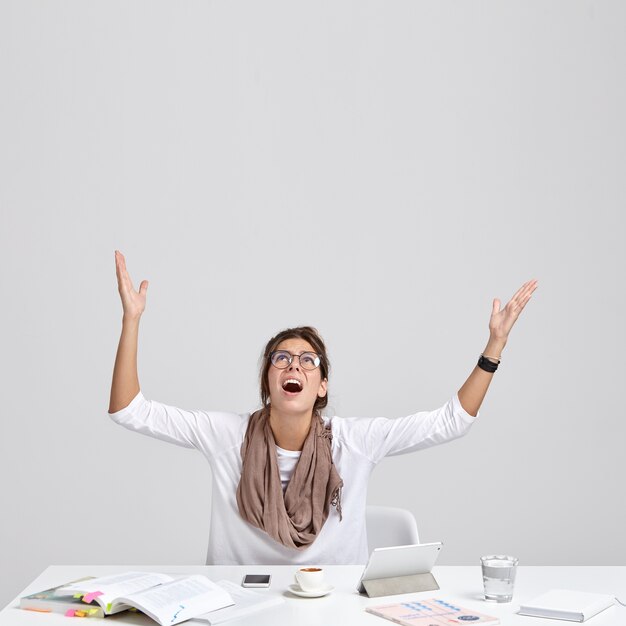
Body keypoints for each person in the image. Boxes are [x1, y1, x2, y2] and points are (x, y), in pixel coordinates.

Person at [108, 250, 538, 565]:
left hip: (334, 609)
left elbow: (452, 421)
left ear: (321, 386)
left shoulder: (355, 442)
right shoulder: (227, 436)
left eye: (307, 361)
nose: (293, 365)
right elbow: (130, 410)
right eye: (281, 359)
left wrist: (494, 347)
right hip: (239, 609)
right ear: (268, 382)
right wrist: (132, 320)